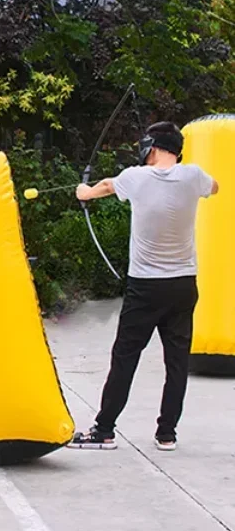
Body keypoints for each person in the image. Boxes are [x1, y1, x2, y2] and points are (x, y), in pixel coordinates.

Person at [68, 121, 218, 452]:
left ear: (154, 147)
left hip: (146, 287)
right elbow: (215, 187)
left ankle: (104, 430)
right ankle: (167, 434)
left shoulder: (136, 178)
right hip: (183, 285)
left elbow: (105, 186)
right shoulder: (194, 176)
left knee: (125, 356)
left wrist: (84, 192)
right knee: (177, 362)